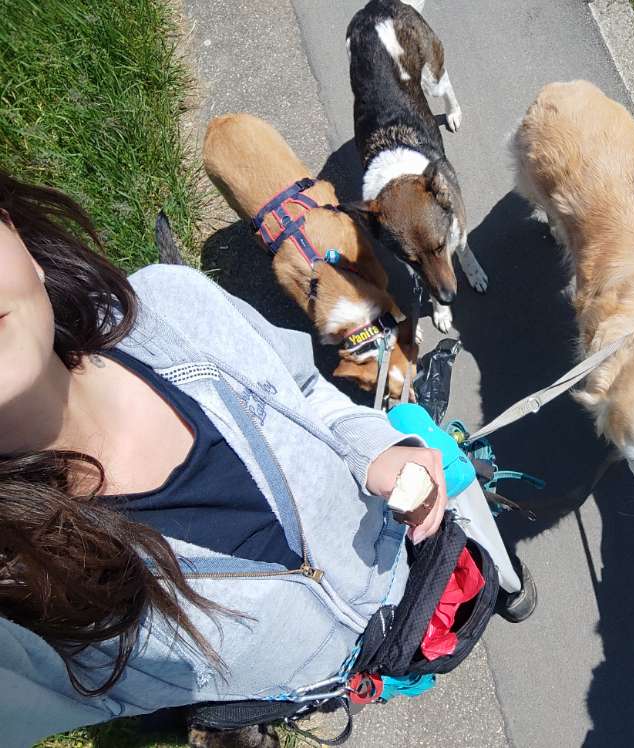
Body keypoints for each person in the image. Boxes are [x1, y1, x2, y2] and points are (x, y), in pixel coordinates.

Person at [0, 170, 448, 746]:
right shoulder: (22, 589)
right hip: (336, 679)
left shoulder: (173, 300)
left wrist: (374, 446)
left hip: (429, 558)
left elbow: (306, 388)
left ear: (16, 236)